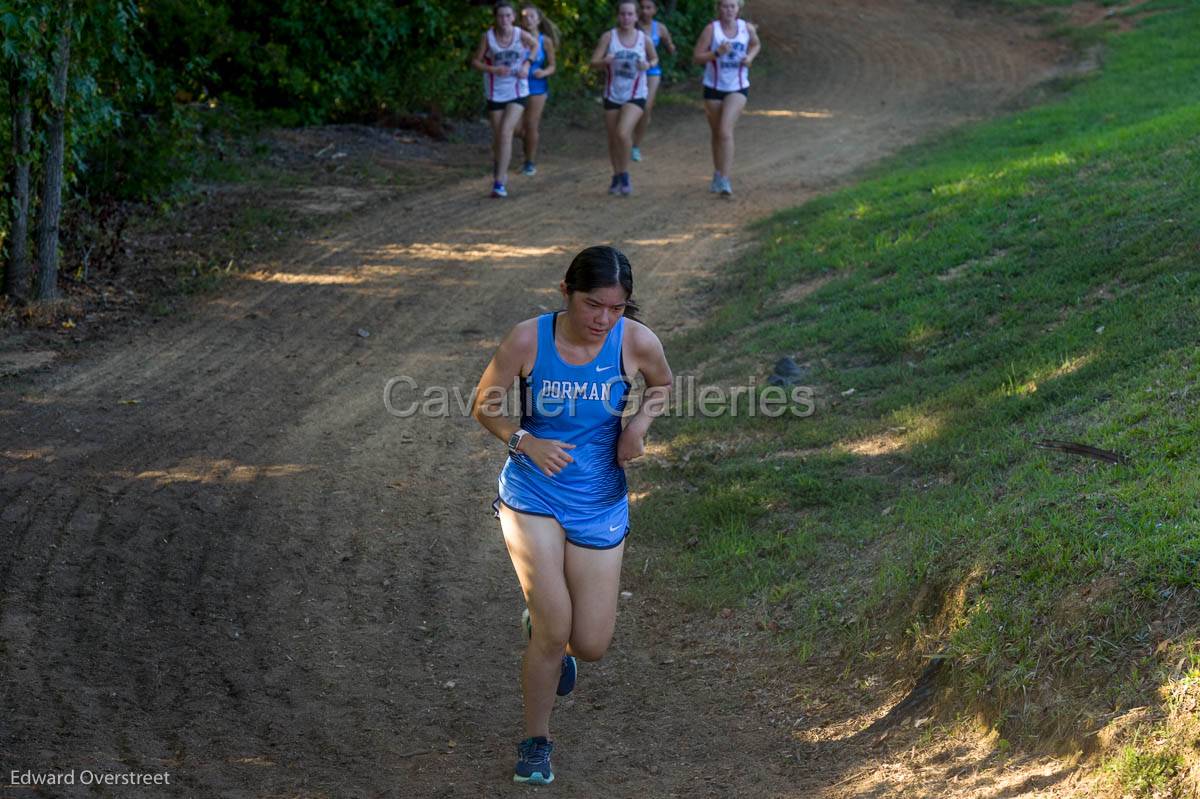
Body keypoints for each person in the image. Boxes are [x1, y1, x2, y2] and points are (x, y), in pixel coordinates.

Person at [472, 246, 673, 785]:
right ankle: (536, 741)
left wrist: (637, 427)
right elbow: (484, 404)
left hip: (600, 499)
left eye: (617, 308)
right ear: (566, 291)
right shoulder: (527, 338)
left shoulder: (636, 341)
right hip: (533, 493)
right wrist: (524, 441)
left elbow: (663, 386)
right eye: (593, 305)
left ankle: (546, 628)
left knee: (590, 644)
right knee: (555, 629)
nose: (603, 319)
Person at [693, 0, 760, 196]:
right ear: (718, 8)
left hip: (738, 87)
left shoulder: (746, 28)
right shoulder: (711, 30)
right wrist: (716, 53)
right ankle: (717, 174)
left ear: (739, 9)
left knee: (724, 130)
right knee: (716, 133)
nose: (728, 10)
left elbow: (756, 44)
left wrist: (750, 58)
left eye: (732, 6)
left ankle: (725, 179)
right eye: (724, 6)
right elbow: (697, 57)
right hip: (713, 87)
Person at [590, 0, 658, 196]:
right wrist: (604, 61)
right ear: (618, 16)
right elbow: (593, 62)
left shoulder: (643, 39)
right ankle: (616, 175)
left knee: (622, 133)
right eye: (622, 14)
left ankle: (625, 173)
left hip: (636, 94)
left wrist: (648, 64)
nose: (626, 18)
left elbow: (654, 58)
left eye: (630, 14)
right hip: (612, 93)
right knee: (613, 138)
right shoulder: (608, 37)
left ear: (636, 17)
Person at [471, 1, 538, 198]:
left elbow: (535, 46)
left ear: (514, 17)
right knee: (499, 136)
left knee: (506, 132)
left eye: (508, 16)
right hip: (495, 91)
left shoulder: (519, 34)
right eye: (501, 16)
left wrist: (527, 64)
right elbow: (475, 62)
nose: (504, 20)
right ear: (495, 18)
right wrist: (492, 69)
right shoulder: (488, 37)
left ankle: (499, 182)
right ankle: (500, 163)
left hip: (518, 90)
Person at [631, 0, 676, 163]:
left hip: (652, 71)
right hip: (632, 72)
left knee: (646, 106)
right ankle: (628, 134)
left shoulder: (660, 28)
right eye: (642, 7)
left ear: (655, 10)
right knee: (631, 107)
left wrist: (671, 47)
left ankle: (635, 147)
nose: (645, 11)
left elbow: (669, 45)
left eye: (648, 7)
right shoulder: (631, 24)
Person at [518, 5, 559, 177]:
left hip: (537, 86)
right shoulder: (516, 38)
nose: (528, 20)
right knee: (515, 128)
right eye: (525, 17)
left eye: (532, 16)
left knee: (531, 124)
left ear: (539, 20)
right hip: (516, 86)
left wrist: (544, 72)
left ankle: (529, 162)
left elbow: (552, 65)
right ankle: (527, 141)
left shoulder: (545, 41)